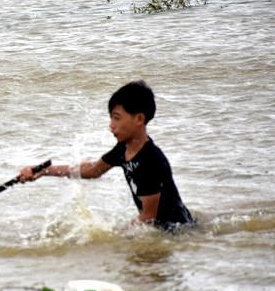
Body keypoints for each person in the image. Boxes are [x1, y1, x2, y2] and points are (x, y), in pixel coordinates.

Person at [19, 80, 194, 232]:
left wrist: (115, 237)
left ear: (139, 119)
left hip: (178, 232)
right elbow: (93, 170)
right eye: (111, 118)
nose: (111, 125)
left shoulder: (150, 160)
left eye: (117, 118)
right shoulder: (123, 149)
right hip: (162, 230)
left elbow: (148, 217)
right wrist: (43, 171)